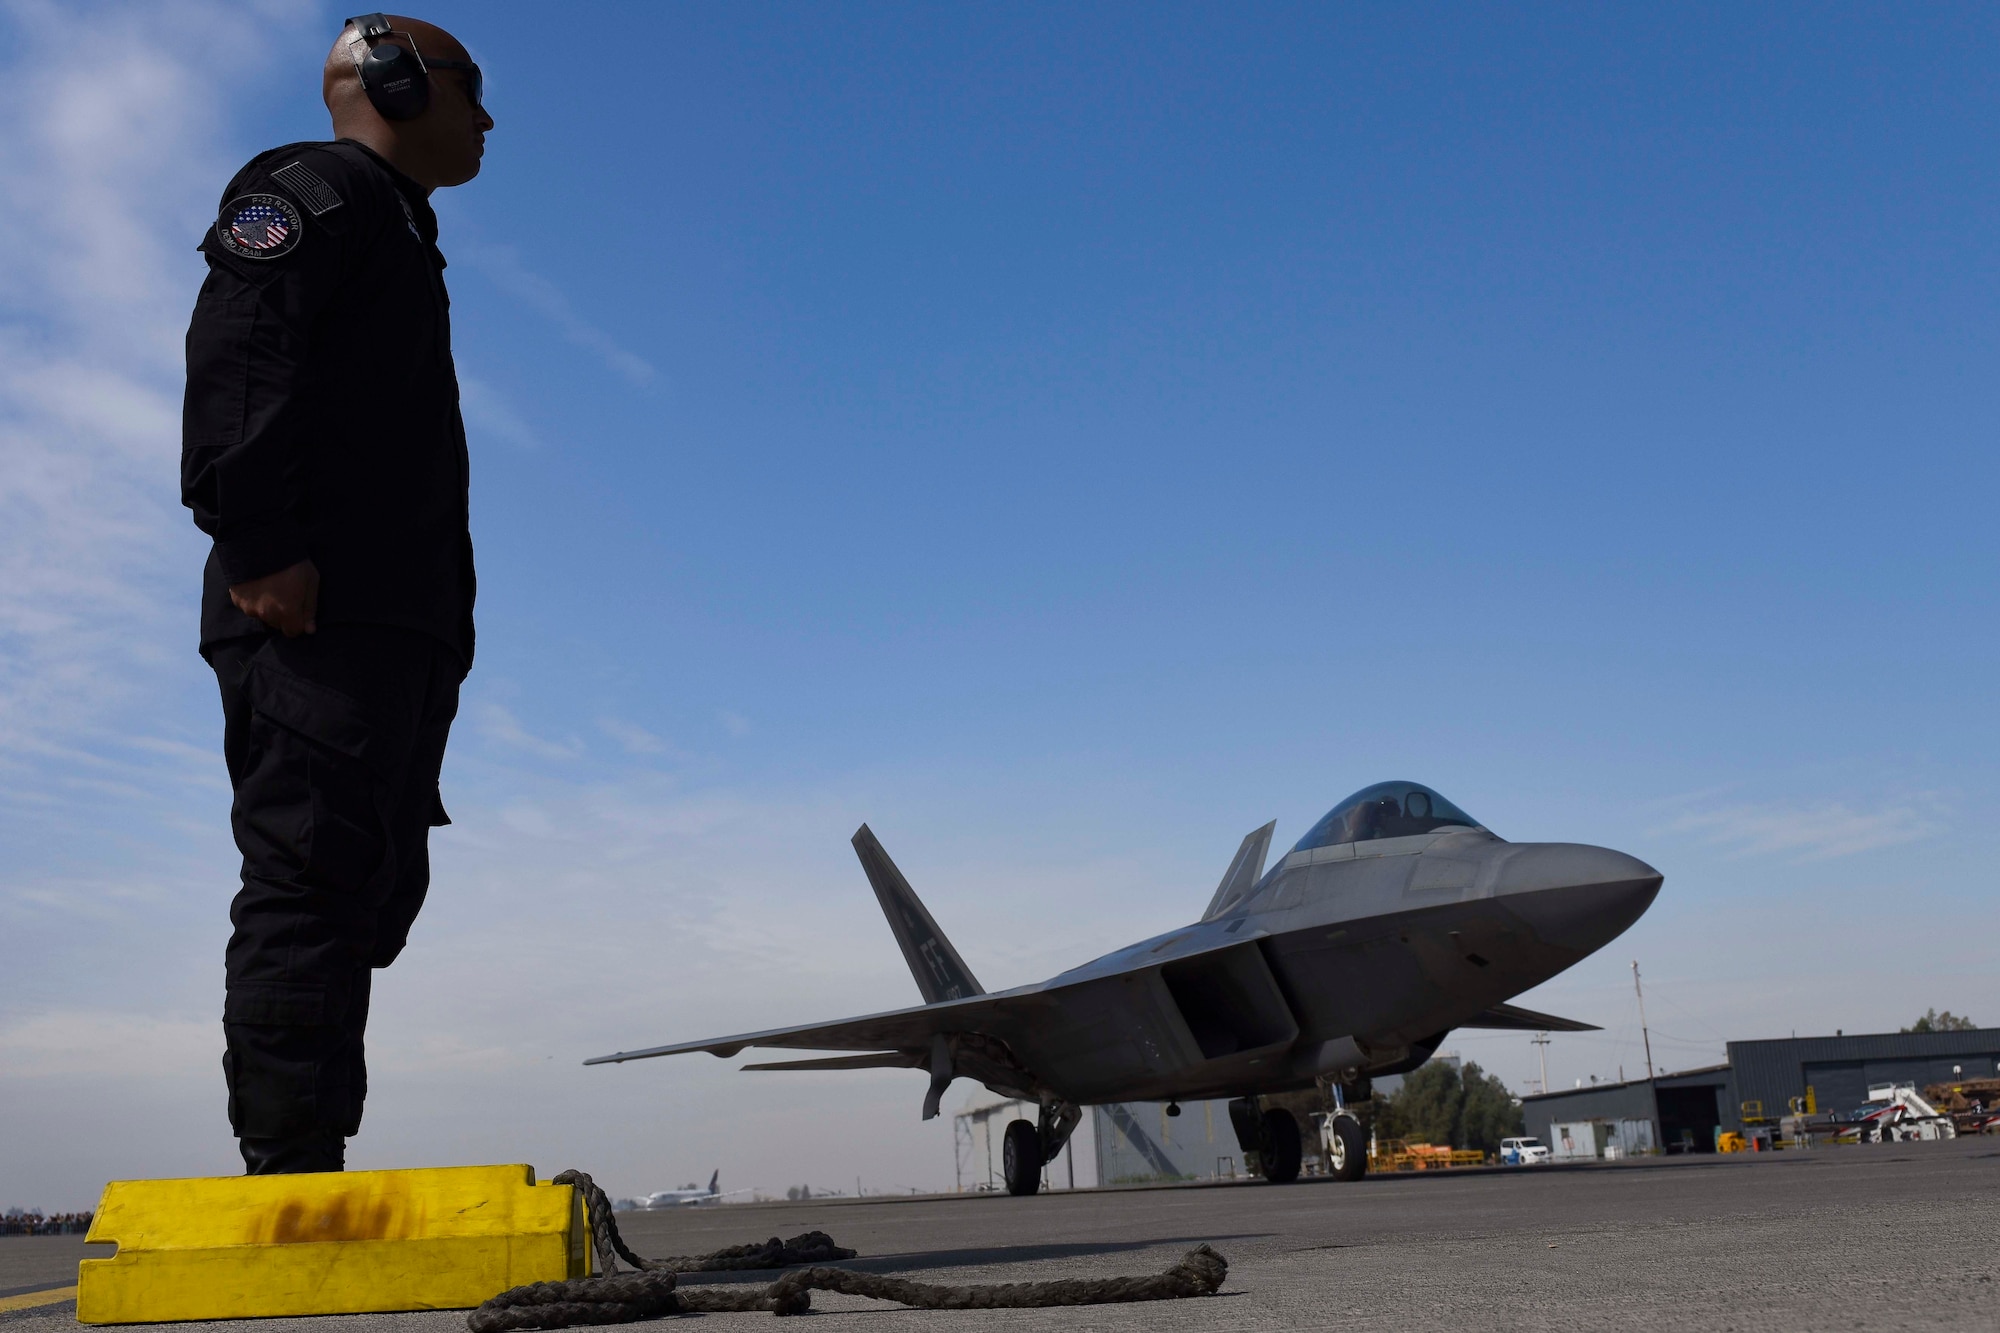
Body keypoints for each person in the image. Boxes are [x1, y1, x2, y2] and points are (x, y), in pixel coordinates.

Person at [180, 14, 494, 1174]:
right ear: (400, 85)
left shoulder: (398, 227)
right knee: (310, 870)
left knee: (367, 883)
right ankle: (289, 1175)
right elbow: (242, 352)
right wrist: (258, 543)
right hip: (312, 613)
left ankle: (309, 1151)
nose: (487, 119)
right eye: (471, 91)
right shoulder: (313, 192)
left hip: (388, 622)